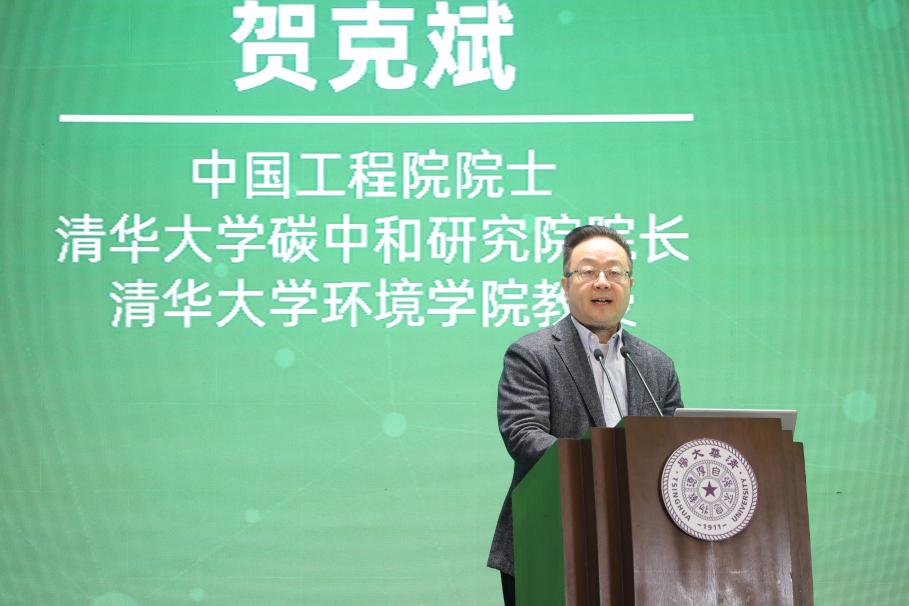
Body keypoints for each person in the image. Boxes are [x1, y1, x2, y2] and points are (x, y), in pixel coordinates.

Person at [486, 225, 684, 605]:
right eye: (588, 271)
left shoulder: (656, 364)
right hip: (550, 540)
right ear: (565, 285)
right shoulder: (532, 354)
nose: (602, 282)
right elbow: (523, 434)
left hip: (642, 545)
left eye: (615, 272)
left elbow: (674, 446)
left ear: (630, 284)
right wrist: (605, 466)